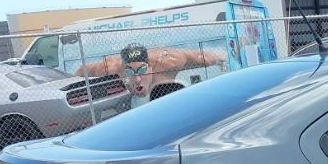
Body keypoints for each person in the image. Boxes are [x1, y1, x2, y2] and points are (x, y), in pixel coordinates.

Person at [76, 43, 226, 101]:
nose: (138, 79)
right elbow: (80, 71)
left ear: (151, 66)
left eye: (142, 70)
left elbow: (203, 57)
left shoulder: (168, 61)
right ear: (123, 68)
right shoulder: (110, 67)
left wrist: (222, 58)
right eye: (130, 71)